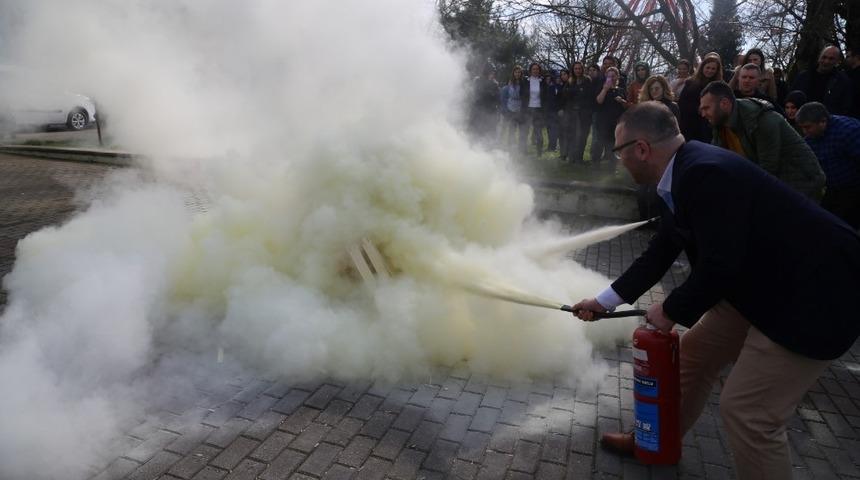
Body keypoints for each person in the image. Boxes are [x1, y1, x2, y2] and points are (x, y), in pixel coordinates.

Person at [571, 101, 860, 480]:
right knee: (691, 359)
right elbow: (661, 251)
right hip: (762, 283)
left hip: (814, 297)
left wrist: (671, 310)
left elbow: (721, 263)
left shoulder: (706, 174)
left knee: (749, 412)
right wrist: (604, 302)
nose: (619, 161)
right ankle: (655, 441)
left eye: (619, 151)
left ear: (641, 149)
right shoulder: (686, 170)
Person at [699, 81, 825, 200]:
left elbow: (767, 170)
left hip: (801, 184)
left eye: (706, 108)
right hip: (775, 186)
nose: (703, 114)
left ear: (725, 104)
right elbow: (718, 160)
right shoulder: (720, 124)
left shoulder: (760, 120)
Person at [796, 102, 860, 228]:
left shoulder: (848, 132)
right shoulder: (811, 139)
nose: (805, 132)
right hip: (833, 188)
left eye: (808, 127)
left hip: (854, 187)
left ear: (823, 122)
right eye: (802, 127)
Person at [792, 45, 855, 116]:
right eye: (824, 57)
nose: (826, 61)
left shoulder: (843, 81)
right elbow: (792, 98)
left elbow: (845, 106)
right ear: (819, 58)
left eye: (831, 59)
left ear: (837, 61)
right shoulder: (803, 77)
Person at [678, 54, 722, 143]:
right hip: (690, 124)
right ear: (702, 67)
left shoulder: (718, 86)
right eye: (708, 67)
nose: (710, 71)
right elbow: (682, 103)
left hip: (708, 126)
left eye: (713, 69)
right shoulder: (690, 83)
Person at [592, 66, 626, 170]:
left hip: (615, 122)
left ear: (617, 77)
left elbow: (626, 106)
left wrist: (622, 101)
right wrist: (605, 89)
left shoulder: (621, 90)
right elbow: (599, 101)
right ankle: (595, 166)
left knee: (613, 145)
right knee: (599, 143)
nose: (611, 77)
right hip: (602, 121)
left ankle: (612, 167)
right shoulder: (602, 88)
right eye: (609, 75)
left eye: (613, 75)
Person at [559, 62, 593, 164]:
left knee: (582, 136)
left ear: (582, 69)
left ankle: (579, 158)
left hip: (583, 113)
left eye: (579, 68)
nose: (577, 70)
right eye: (575, 69)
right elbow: (565, 95)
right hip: (571, 112)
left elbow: (588, 96)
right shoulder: (570, 81)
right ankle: (571, 157)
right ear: (573, 70)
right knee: (571, 135)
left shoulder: (587, 80)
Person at [521, 62, 549, 156]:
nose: (535, 70)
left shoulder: (543, 82)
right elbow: (522, 94)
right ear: (530, 70)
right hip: (528, 109)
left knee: (538, 133)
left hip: (538, 110)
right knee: (525, 131)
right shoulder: (525, 81)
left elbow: (545, 97)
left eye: (537, 69)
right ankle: (524, 151)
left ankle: (539, 153)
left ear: (539, 70)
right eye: (534, 69)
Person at [468, 66, 500, 145]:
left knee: (488, 132)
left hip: (490, 111)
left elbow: (497, 98)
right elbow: (477, 94)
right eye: (491, 73)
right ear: (486, 73)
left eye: (493, 73)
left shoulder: (495, 84)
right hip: (479, 111)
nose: (492, 75)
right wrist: (490, 93)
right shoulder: (478, 81)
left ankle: (486, 148)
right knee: (476, 132)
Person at [499, 65, 524, 150]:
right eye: (516, 72)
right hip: (510, 109)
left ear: (521, 73)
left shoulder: (524, 83)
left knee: (520, 130)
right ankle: (508, 145)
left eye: (519, 72)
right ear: (513, 73)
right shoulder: (509, 85)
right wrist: (504, 109)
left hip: (520, 109)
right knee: (510, 129)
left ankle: (519, 147)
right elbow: (504, 97)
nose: (517, 74)